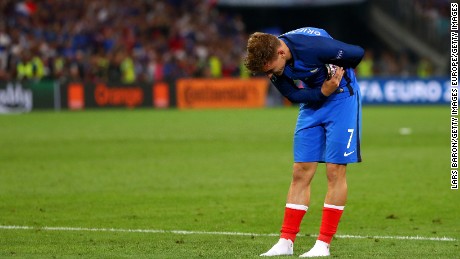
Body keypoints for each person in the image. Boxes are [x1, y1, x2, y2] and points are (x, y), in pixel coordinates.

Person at [244, 27, 364, 257]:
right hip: (314, 101)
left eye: (269, 68)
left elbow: (357, 53)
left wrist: (338, 68)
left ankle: (323, 244)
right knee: (300, 171)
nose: (269, 74)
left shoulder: (313, 48)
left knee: (335, 171)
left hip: (342, 100)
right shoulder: (272, 61)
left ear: (280, 52)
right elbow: (294, 95)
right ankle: (286, 242)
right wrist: (322, 91)